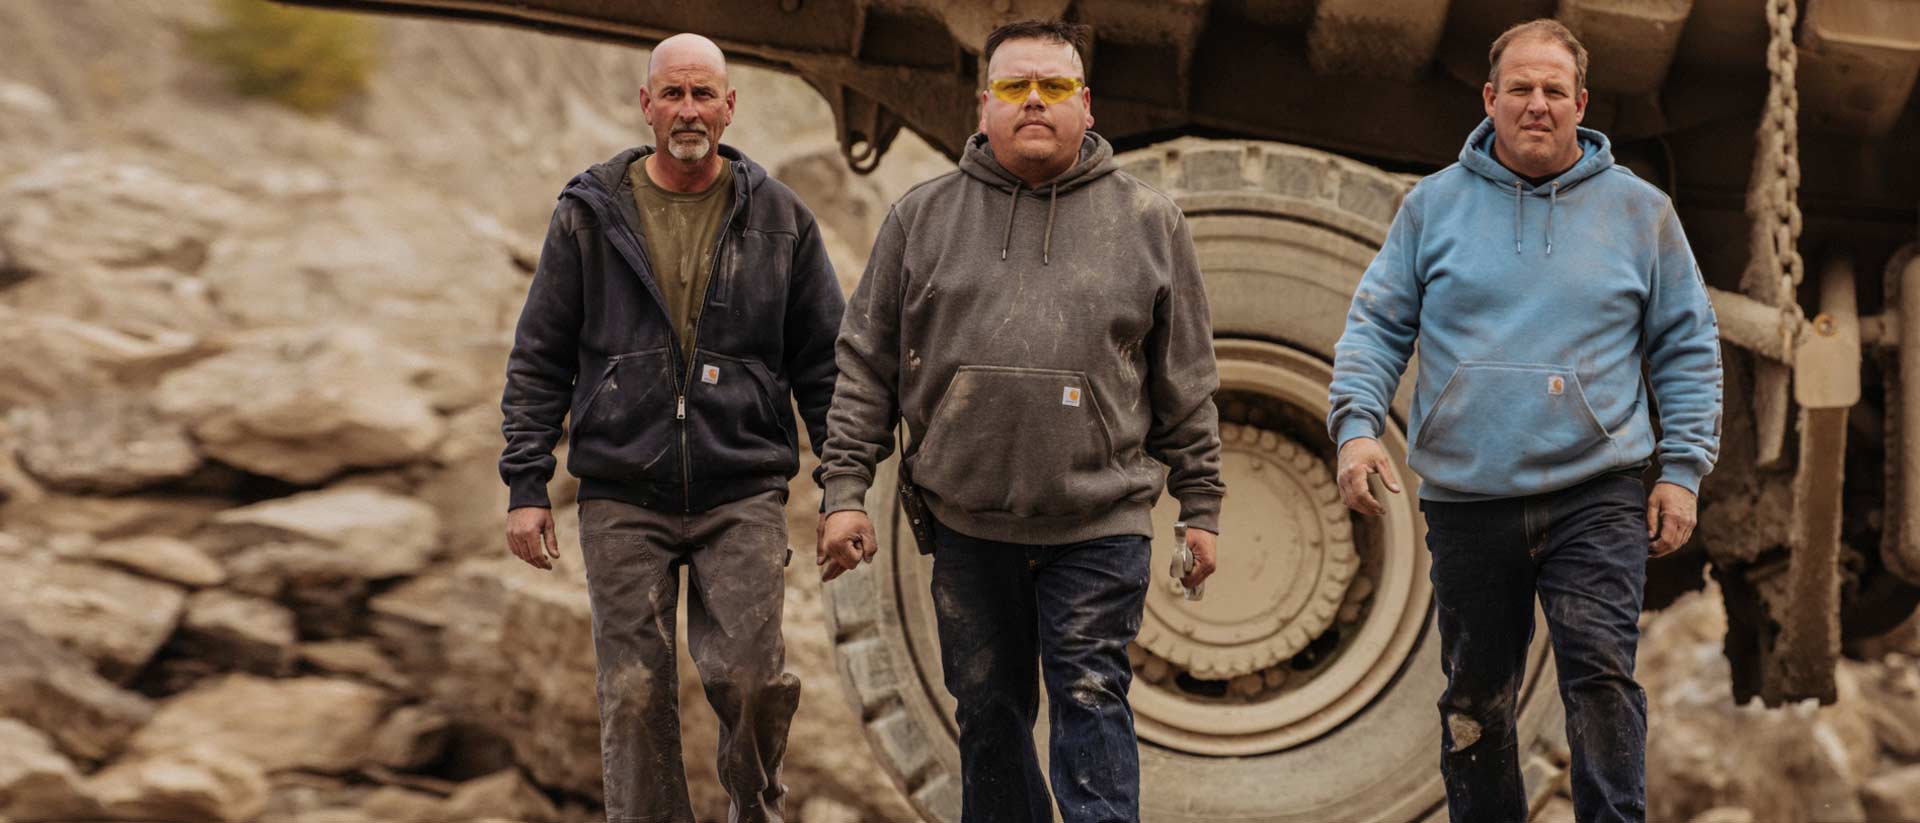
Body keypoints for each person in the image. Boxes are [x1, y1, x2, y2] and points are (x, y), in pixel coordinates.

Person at [814, 18, 1225, 823]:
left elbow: (1185, 381)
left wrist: (1202, 506)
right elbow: (865, 364)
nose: (1033, 101)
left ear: (1087, 105)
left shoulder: (1149, 222)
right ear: (983, 106)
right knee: (988, 716)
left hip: (1101, 523)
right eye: (1013, 87)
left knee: (1091, 695)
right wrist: (843, 492)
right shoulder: (920, 220)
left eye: (1054, 86)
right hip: (968, 528)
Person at [1327, 18, 1723, 823]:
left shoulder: (1641, 213)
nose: (1536, 104)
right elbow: (1375, 326)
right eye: (1519, 88)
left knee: (1601, 677)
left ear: (1581, 101)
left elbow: (1687, 344)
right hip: (1469, 499)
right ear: (1490, 98)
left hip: (1596, 490)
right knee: (1477, 693)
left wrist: (1681, 472)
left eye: (1552, 90)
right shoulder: (1431, 207)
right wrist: (1357, 426)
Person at [497, 32, 844, 823]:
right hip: (621, 491)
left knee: (752, 678)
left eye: (703, 94)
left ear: (729, 107)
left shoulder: (782, 219)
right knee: (632, 692)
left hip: (742, 490)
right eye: (674, 94)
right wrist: (525, 486)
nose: (688, 110)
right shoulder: (589, 215)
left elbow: (827, 367)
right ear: (646, 105)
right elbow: (539, 359)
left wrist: (843, 489)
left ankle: (755, 810)